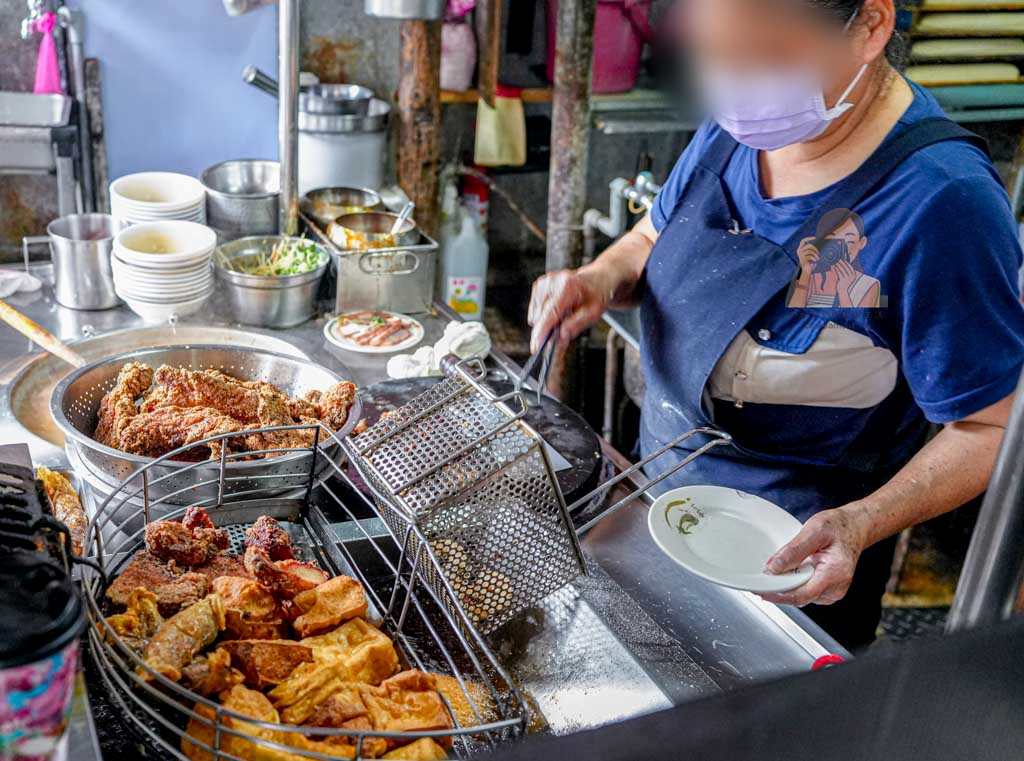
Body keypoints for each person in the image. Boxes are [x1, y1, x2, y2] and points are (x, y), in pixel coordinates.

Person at [528, 0, 1024, 649]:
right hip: (654, 510)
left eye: (762, 59)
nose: (729, 85)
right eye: (710, 55)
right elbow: (652, 237)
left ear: (871, 26)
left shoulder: (942, 204)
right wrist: (597, 277)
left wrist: (863, 521)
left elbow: (991, 425)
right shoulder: (744, 122)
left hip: (790, 578)